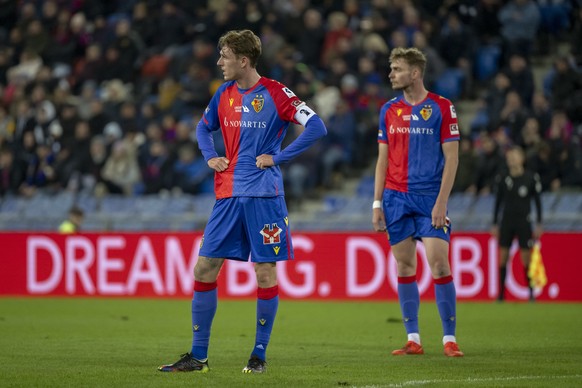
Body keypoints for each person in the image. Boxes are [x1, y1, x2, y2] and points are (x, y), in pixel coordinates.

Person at [158, 30, 327, 374]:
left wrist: (278, 157)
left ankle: (258, 355)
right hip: (228, 195)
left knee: (265, 272)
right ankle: (198, 356)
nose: (219, 62)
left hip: (264, 195)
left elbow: (316, 127)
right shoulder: (223, 93)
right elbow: (203, 129)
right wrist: (210, 156)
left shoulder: (277, 93)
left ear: (244, 60)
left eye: (224, 56)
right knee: (204, 268)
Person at [372, 47, 463, 357]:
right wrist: (376, 203)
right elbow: (382, 161)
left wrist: (441, 202)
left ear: (414, 73)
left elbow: (452, 159)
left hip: (429, 198)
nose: (391, 74)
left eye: (396, 69)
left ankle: (449, 339)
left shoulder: (442, 107)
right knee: (405, 264)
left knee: (439, 263)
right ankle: (413, 338)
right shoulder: (388, 110)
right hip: (395, 198)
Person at [491, 146, 542, 302]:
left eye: (515, 156)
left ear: (522, 158)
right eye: (509, 156)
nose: (511, 159)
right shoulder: (503, 178)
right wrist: (495, 223)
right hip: (507, 221)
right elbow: (498, 202)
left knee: (526, 258)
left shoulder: (531, 177)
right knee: (503, 257)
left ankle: (531, 293)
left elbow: (538, 202)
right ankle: (501, 295)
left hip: (524, 222)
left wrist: (539, 222)